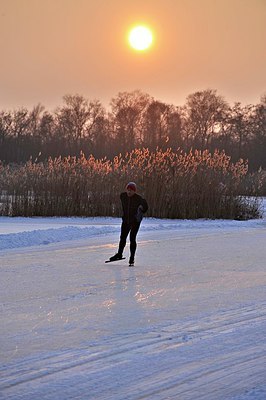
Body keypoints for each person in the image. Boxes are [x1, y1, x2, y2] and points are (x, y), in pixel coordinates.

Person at [109, 182, 148, 265]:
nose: (129, 192)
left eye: (131, 190)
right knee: (122, 238)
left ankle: (132, 258)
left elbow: (145, 207)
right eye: (128, 190)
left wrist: (142, 208)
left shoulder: (138, 198)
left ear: (134, 191)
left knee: (132, 238)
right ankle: (119, 254)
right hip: (126, 220)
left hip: (135, 222)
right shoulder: (123, 196)